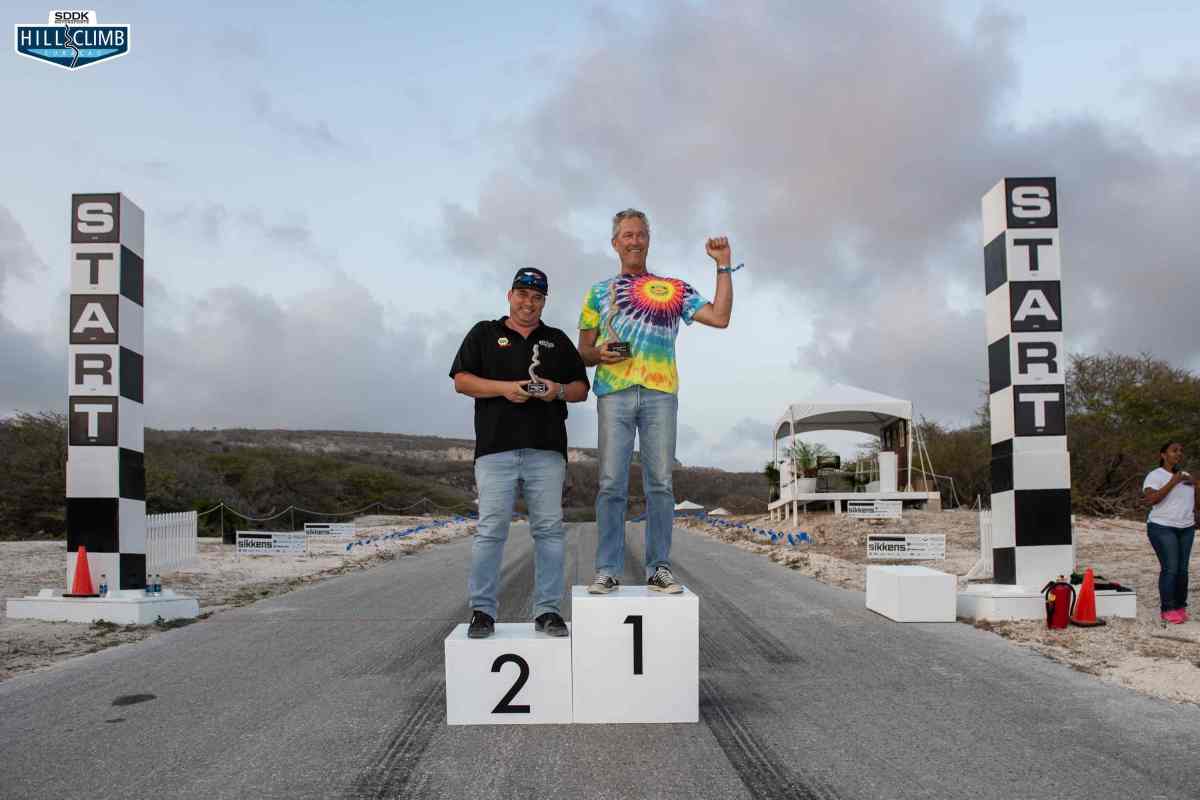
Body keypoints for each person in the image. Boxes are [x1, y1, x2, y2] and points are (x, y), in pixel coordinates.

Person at [577, 208, 736, 595]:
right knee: (611, 483)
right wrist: (600, 354)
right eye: (627, 235)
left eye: (640, 234)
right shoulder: (598, 292)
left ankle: (659, 568)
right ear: (615, 243)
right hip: (613, 394)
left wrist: (724, 267)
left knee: (660, 484)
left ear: (648, 240)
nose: (634, 240)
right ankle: (607, 569)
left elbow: (720, 317)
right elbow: (582, 350)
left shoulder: (674, 288)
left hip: (660, 395)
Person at [449, 267, 590, 638]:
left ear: (544, 301)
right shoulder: (484, 333)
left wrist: (555, 390)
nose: (529, 303)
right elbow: (461, 381)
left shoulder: (557, 340)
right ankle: (482, 611)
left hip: (546, 451)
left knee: (548, 531)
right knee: (491, 530)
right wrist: (505, 388)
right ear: (509, 295)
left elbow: (580, 389)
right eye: (523, 294)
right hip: (495, 450)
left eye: (537, 297)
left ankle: (547, 611)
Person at [1143, 441, 1196, 624]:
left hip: (1186, 528)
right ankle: (1167, 608)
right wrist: (1173, 482)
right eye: (1174, 451)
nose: (1178, 454)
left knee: (1182, 570)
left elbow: (1196, 504)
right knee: (1170, 568)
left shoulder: (1186, 476)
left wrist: (1197, 485)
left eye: (1181, 451)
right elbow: (1152, 499)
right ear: (1163, 455)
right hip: (1162, 527)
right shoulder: (1155, 475)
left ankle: (1180, 606)